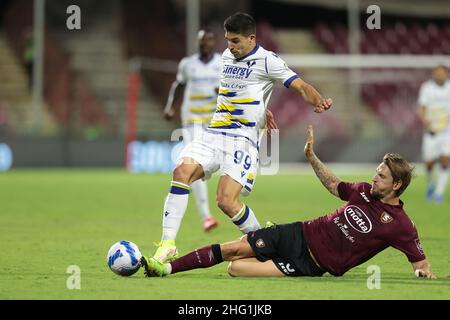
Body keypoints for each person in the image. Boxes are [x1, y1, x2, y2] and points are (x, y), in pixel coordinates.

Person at [152, 12, 332, 264]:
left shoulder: (268, 61)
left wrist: (319, 101)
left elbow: (301, 86)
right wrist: (261, 109)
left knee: (225, 200)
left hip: (242, 140)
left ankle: (266, 243)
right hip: (214, 132)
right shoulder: (227, 56)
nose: (230, 46)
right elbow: (237, 90)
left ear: (251, 38)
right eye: (227, 40)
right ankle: (167, 244)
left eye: (235, 41)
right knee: (181, 172)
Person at [141, 125, 436, 280]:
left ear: (396, 185)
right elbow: (334, 184)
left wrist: (422, 273)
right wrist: (311, 157)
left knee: (236, 269)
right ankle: (165, 269)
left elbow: (421, 264)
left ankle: (257, 246)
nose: (374, 178)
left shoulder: (401, 225)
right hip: (298, 232)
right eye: (376, 172)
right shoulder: (360, 190)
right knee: (231, 248)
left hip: (310, 264)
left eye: (381, 176)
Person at [163, 29, 221, 232]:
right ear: (198, 43)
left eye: (209, 40)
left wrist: (220, 91)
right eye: (202, 40)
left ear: (214, 43)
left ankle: (192, 197)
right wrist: (170, 106)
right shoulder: (188, 64)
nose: (206, 43)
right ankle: (206, 216)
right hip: (191, 120)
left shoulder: (222, 63)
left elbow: (230, 89)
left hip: (214, 121)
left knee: (213, 165)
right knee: (192, 161)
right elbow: (178, 85)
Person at [417, 65, 450, 204]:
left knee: (445, 160)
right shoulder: (427, 88)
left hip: (447, 132)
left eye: (442, 73)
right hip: (431, 131)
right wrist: (425, 121)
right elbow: (421, 108)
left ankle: (438, 193)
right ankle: (431, 182)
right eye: (437, 73)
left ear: (447, 74)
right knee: (429, 163)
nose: (440, 76)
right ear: (433, 74)